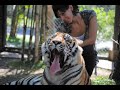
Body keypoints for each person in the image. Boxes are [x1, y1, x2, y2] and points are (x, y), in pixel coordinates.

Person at [52, 5, 98, 77]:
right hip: (71, 58)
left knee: (88, 49)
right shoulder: (62, 28)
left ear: (70, 7)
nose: (62, 18)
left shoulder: (89, 15)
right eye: (60, 16)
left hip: (89, 56)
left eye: (63, 14)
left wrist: (73, 43)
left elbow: (92, 40)